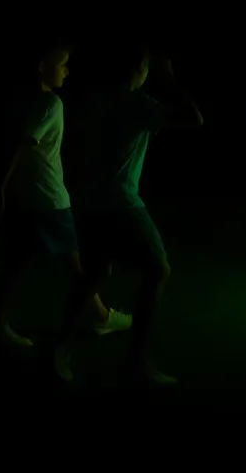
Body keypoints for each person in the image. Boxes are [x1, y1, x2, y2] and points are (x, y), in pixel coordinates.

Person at [52, 46, 202, 385]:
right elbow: (194, 119)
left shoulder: (94, 100)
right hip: (120, 202)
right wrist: (171, 79)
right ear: (140, 68)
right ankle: (136, 361)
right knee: (157, 270)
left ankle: (59, 348)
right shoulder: (138, 105)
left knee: (94, 273)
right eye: (148, 66)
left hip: (89, 201)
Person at [0, 39, 129, 347]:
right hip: (50, 200)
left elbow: (15, 145)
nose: (67, 72)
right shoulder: (51, 104)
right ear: (42, 66)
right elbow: (23, 145)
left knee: (15, 264)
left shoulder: (20, 101)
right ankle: (100, 319)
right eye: (63, 64)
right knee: (76, 266)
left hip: (26, 199)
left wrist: (3, 188)